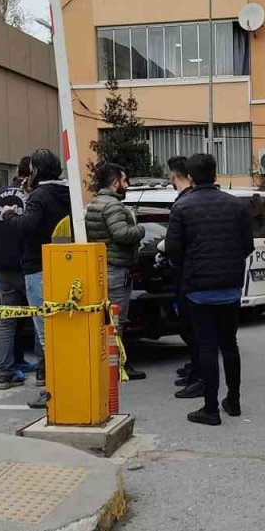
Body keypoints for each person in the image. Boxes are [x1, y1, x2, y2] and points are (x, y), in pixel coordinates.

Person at [165, 153, 253, 425]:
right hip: (230, 288)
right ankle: (234, 401)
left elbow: (172, 250)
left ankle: (211, 409)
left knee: (206, 347)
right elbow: (248, 245)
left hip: (198, 289)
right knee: (230, 345)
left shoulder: (182, 208)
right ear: (215, 174)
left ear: (190, 177)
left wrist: (190, 266)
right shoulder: (236, 205)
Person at [17, 149, 72, 408]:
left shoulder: (39, 196)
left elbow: (28, 227)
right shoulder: (67, 193)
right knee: (64, 330)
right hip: (64, 266)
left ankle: (53, 390)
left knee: (45, 333)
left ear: (35, 171)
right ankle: (70, 383)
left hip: (38, 268)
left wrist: (9, 215)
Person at [85, 163, 148, 381]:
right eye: (124, 180)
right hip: (117, 268)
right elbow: (121, 234)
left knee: (106, 319)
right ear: (115, 183)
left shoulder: (94, 203)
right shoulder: (113, 206)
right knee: (116, 321)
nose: (126, 184)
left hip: (104, 266)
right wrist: (140, 230)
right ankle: (118, 364)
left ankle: (109, 362)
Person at [0, 157, 33, 390]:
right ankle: (45, 371)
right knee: (40, 317)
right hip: (27, 265)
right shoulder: (33, 196)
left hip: (2, 267)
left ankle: (6, 371)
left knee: (8, 320)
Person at [166, 156, 204, 399]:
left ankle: (200, 374)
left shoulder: (184, 202)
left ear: (174, 175)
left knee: (194, 329)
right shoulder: (192, 199)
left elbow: (174, 245)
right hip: (199, 275)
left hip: (189, 276)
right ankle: (197, 369)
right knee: (195, 330)